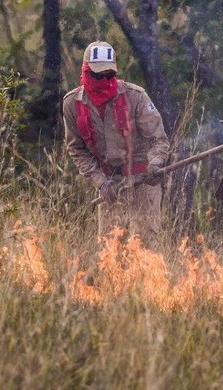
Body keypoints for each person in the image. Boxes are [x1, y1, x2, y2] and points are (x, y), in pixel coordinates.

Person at [62, 41, 169, 246]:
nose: (103, 80)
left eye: (108, 75)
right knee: (110, 250)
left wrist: (155, 164)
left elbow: (159, 139)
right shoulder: (71, 104)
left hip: (143, 179)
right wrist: (100, 182)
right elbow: (76, 148)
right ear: (85, 71)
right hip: (109, 184)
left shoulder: (136, 96)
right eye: (97, 75)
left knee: (148, 247)